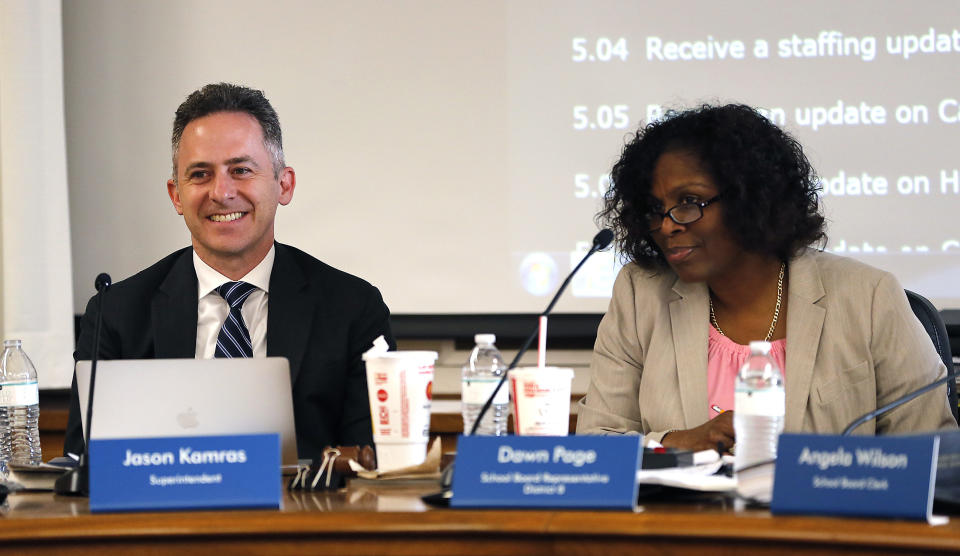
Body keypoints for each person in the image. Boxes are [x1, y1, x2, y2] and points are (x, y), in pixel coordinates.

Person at [576, 103, 956, 451]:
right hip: (680, 524)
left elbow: (935, 454)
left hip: (825, 523)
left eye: (688, 203)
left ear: (750, 197)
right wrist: (679, 442)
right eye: (655, 209)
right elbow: (597, 442)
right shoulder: (640, 294)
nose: (666, 225)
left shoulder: (868, 297)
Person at [65, 83, 395, 458]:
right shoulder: (118, 313)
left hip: (304, 514)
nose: (221, 192)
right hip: (164, 513)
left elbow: (371, 462)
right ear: (176, 195)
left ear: (283, 185)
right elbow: (83, 467)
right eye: (200, 175)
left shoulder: (352, 308)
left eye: (240, 170)